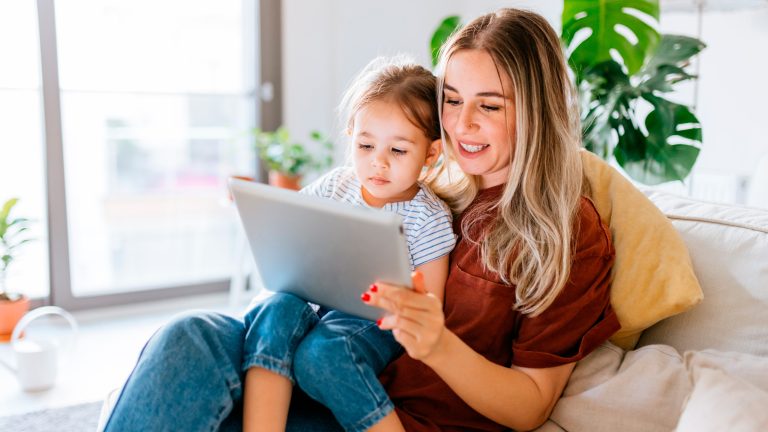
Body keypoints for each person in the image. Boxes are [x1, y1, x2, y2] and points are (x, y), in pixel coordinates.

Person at [104, 8, 620, 432]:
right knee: (186, 334)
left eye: (490, 106)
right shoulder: (428, 180)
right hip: (306, 349)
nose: (464, 124)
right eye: (453, 100)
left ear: (537, 110)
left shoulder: (567, 233)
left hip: (375, 408)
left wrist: (437, 344)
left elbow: (530, 404)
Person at [241, 57, 455, 432]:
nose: (378, 163)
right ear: (351, 137)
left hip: (372, 322)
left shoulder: (428, 216)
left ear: (431, 154)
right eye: (366, 145)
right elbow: (289, 233)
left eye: (398, 151)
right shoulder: (333, 186)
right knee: (275, 309)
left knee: (327, 352)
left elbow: (431, 304)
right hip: (315, 302)